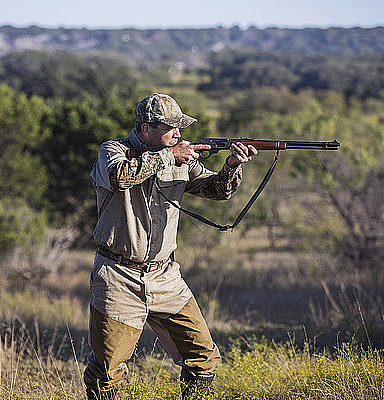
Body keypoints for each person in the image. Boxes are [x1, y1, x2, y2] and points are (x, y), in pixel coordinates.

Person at [85, 93, 257, 400]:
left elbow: (217, 191)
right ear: (145, 128)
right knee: (107, 372)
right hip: (117, 276)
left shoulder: (178, 156)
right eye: (170, 127)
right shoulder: (113, 150)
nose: (178, 133)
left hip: (165, 277)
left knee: (203, 356)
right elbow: (120, 176)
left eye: (180, 127)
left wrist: (231, 165)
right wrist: (168, 157)